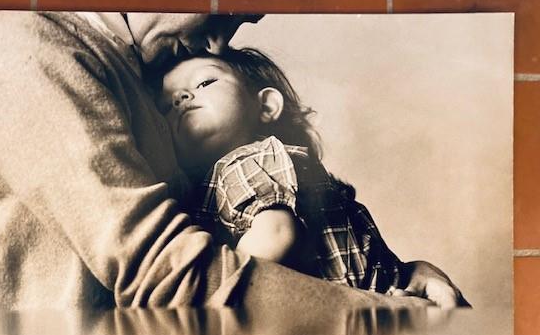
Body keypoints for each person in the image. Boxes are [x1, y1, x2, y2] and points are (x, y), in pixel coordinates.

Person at [0, 11, 464, 310]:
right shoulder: (22, 49)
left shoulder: (145, 84)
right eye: (225, 7)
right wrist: (384, 318)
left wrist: (398, 276)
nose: (215, 44)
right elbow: (174, 277)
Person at [159, 48, 469, 308]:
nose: (181, 97)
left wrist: (210, 305)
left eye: (205, 82)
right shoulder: (271, 170)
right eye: (166, 105)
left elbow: (276, 235)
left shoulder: (245, 161)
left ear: (265, 106)